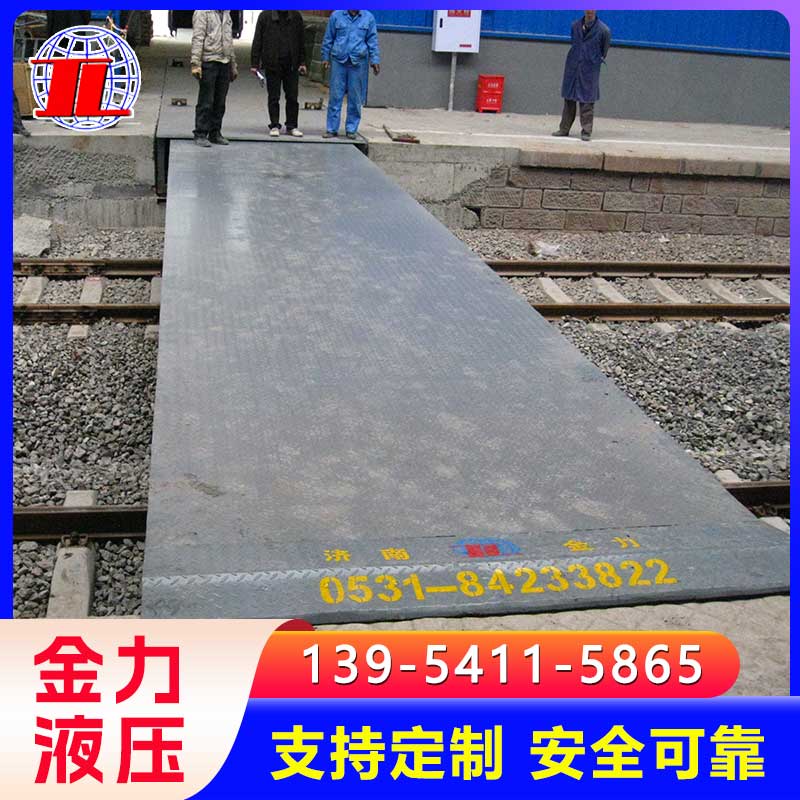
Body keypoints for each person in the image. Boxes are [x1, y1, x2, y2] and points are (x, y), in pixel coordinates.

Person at [552, 10, 611, 142]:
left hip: (590, 68)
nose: (589, 11)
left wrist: (592, 58)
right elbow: (574, 42)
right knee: (569, 100)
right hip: (573, 66)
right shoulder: (575, 26)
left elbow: (604, 51)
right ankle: (564, 129)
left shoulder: (604, 30)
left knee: (587, 101)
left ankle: (586, 131)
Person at [321, 10, 380, 139]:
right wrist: (325, 57)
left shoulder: (368, 18)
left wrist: (375, 60)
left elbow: (372, 41)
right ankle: (331, 129)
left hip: (358, 62)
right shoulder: (336, 16)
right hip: (339, 61)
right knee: (335, 95)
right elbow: (328, 38)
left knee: (355, 97)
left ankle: (351, 129)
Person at [250, 10, 307, 138]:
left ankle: (292, 126)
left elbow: (301, 40)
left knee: (292, 97)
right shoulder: (265, 16)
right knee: (273, 96)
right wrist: (254, 63)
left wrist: (302, 62)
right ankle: (274, 125)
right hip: (272, 64)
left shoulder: (296, 17)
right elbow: (257, 40)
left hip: (292, 64)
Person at [191, 10, 238, 147]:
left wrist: (233, 65)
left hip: (225, 61)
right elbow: (198, 38)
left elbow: (229, 41)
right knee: (206, 101)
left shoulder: (226, 13)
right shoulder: (202, 12)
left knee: (220, 101)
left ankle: (215, 132)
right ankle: (200, 133)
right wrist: (195, 63)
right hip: (209, 61)